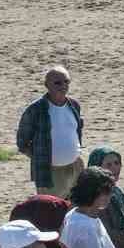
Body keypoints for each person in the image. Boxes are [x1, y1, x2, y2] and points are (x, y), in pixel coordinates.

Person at [16, 66, 84, 197]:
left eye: (66, 82)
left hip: (76, 167)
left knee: (76, 208)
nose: (63, 86)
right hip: (49, 172)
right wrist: (42, 158)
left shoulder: (74, 105)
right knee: (52, 212)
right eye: (57, 83)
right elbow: (22, 143)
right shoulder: (35, 109)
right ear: (47, 85)